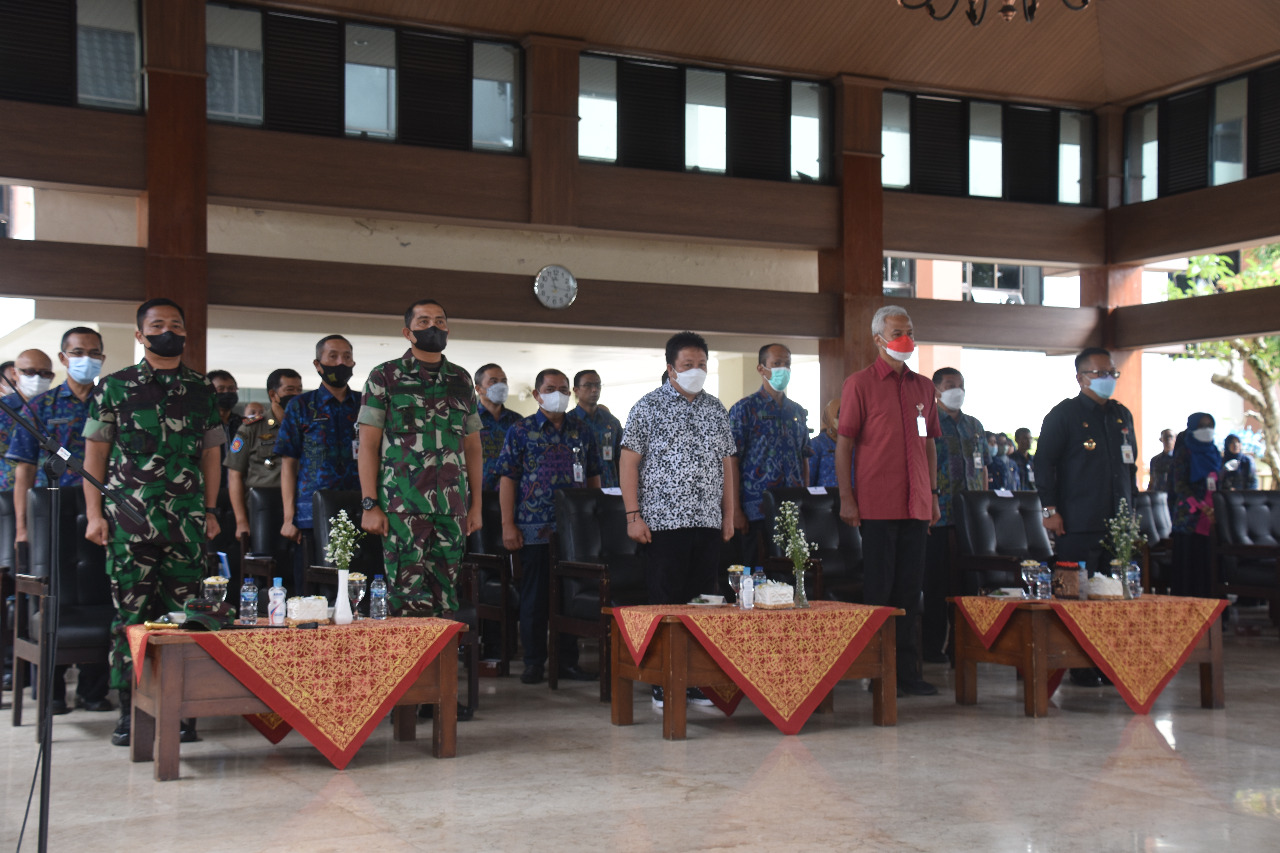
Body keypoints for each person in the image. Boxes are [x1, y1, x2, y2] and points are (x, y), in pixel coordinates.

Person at [82, 298, 223, 746]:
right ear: (140, 335)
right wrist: (93, 515)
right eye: (157, 325)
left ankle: (182, 712)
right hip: (129, 524)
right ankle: (130, 711)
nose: (168, 331)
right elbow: (95, 457)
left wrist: (213, 511)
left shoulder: (203, 389)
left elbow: (211, 455)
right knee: (133, 620)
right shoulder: (115, 387)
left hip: (187, 525)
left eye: (175, 325)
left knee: (187, 621)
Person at [621, 331, 735, 708]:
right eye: (689, 365)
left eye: (702, 365)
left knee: (706, 602)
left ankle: (698, 679)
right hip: (663, 524)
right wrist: (632, 515)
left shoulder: (717, 409)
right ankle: (663, 680)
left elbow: (727, 466)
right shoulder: (647, 407)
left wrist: (728, 514)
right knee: (666, 602)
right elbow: (629, 463)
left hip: (706, 520)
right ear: (671, 369)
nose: (696, 371)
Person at [836, 305, 941, 697]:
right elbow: (844, 445)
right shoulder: (859, 384)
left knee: (910, 592)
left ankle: (906, 674)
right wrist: (847, 497)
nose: (906, 339)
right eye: (898, 332)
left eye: (910, 331)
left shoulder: (923, 387)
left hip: (916, 504)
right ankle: (875, 672)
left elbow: (929, 445)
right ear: (879, 339)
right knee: (879, 592)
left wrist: (932, 495)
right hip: (876, 505)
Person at [6, 329, 111, 714]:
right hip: (52, 515)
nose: (87, 359)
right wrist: (22, 528)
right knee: (55, 599)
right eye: (78, 352)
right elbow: (24, 474)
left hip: (102, 515)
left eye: (94, 353)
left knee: (101, 596)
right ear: (64, 358)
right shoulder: (42, 407)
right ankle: (50, 691)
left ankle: (93, 690)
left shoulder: (111, 402)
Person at [358, 300, 482, 618]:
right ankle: (409, 668)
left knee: (447, 601)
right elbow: (368, 445)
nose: (433, 327)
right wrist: (370, 504)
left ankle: (444, 668)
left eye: (440, 321)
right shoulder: (385, 376)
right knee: (406, 599)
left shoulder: (462, 379)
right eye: (424, 321)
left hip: (452, 508)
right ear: (408, 332)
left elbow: (473, 448)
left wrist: (476, 504)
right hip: (402, 507)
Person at [1034, 346, 1137, 687]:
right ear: (1081, 378)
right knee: (1074, 599)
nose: (1108, 379)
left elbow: (1129, 465)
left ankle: (1107, 663)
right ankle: (1075, 664)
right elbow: (1043, 464)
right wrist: (1050, 511)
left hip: (1116, 524)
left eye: (1112, 373)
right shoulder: (1063, 415)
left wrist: (1130, 513)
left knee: (1112, 598)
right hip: (1077, 520)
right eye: (1100, 373)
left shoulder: (1121, 415)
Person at [497, 368, 600, 685]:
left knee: (569, 598)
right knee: (535, 598)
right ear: (537, 394)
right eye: (551, 388)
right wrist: (507, 525)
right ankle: (533, 662)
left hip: (575, 532)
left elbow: (595, 475)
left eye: (564, 388)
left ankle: (567, 662)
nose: (559, 393)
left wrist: (596, 519)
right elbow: (507, 478)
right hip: (533, 529)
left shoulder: (582, 430)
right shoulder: (521, 430)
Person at [274, 335, 361, 589]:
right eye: (332, 356)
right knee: (313, 590)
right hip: (311, 513)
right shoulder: (301, 405)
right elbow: (288, 464)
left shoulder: (365, 404)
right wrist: (289, 517)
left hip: (358, 507)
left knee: (357, 587)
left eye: (346, 356)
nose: (340, 362)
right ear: (318, 363)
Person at [924, 367, 987, 663]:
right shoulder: (926, 422)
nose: (956, 390)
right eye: (950, 385)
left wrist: (984, 505)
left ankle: (965, 645)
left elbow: (982, 468)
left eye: (960, 385)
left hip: (971, 519)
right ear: (936, 390)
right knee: (936, 584)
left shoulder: (974, 425)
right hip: (938, 516)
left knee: (969, 585)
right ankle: (933, 647)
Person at [728, 343, 812, 565]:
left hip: (793, 509)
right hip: (755, 510)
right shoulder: (744, 409)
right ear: (761, 368)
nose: (783, 369)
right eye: (776, 364)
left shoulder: (798, 412)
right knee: (756, 574)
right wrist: (735, 509)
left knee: (791, 573)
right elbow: (731, 461)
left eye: (787, 364)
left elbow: (804, 457)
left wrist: (806, 499)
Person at [225, 368, 303, 538]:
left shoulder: (307, 427)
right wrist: (241, 521)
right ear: (273, 395)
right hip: (263, 507)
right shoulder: (251, 428)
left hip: (301, 505)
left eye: (299, 390)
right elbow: (234, 475)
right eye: (290, 390)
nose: (296, 395)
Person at [1169, 413, 1221, 598]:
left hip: (1213, 518)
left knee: (1210, 567)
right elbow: (1179, 485)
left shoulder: (1214, 451)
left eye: (1210, 425)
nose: (1207, 430)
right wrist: (1201, 506)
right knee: (1190, 567)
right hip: (1190, 518)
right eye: (1202, 425)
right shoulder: (1184, 452)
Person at [571, 369, 624, 488]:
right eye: (588, 385)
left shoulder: (612, 422)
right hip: (579, 491)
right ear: (576, 390)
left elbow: (621, 460)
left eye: (597, 385)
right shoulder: (569, 422)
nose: (594, 389)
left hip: (610, 489)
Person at [474, 363, 521, 492]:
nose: (500, 386)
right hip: (474, 494)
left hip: (510, 492)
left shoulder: (517, 421)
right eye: (493, 381)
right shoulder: (467, 419)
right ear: (478, 389)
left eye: (504, 381)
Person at [1148, 428, 1175, 492]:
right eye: (1165, 437)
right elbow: (1152, 480)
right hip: (1158, 495)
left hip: (1174, 496)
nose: (1168, 439)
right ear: (1161, 439)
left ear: (1175, 439)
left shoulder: (1179, 459)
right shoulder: (1155, 460)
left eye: (1170, 436)